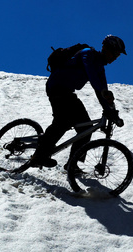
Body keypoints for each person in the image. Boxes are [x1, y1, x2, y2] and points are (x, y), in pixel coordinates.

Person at [30, 35, 127, 169]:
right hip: (56, 87)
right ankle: (39, 156)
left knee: (86, 129)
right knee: (62, 121)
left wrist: (110, 111)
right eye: (115, 52)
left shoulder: (100, 68)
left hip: (68, 92)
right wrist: (102, 91)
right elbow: (92, 77)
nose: (115, 57)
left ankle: (72, 164)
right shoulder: (87, 53)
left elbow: (102, 90)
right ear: (105, 48)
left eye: (118, 55)